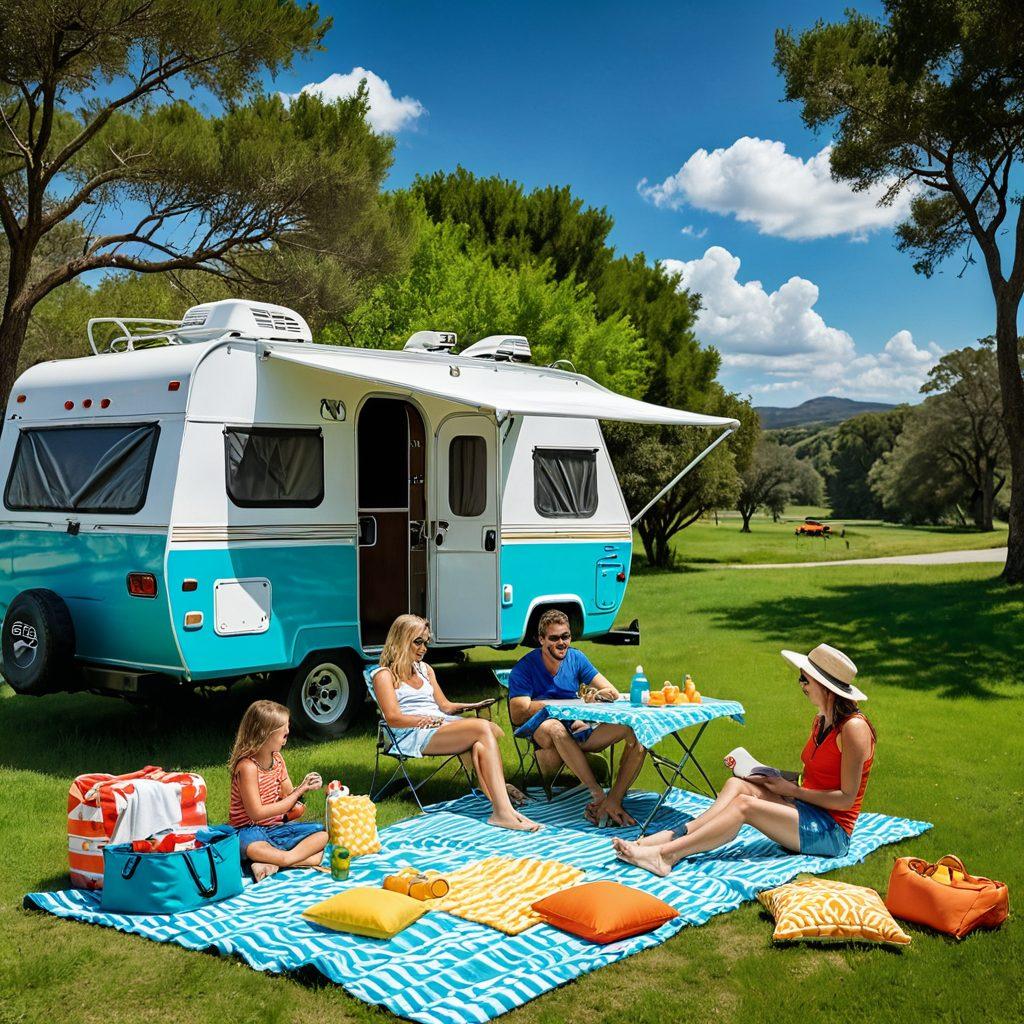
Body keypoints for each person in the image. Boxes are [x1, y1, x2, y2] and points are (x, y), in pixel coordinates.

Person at [613, 642, 875, 876]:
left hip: (831, 832)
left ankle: (665, 856)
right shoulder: (822, 720)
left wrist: (792, 790)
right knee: (738, 786)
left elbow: (845, 799)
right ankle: (671, 836)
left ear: (826, 687)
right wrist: (772, 774)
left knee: (744, 806)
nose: (802, 685)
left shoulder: (853, 729)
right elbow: (817, 776)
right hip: (807, 811)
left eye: (805, 679)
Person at [372, 614, 542, 833]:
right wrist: (424, 720)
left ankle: (501, 807)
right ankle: (502, 808)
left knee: (489, 733)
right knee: (482, 729)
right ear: (401, 640)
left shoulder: (425, 670)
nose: (424, 648)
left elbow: (445, 706)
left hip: (438, 724)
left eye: (426, 642)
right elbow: (393, 717)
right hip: (410, 733)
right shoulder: (383, 675)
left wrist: (472, 705)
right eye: (418, 642)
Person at [508, 609, 647, 826]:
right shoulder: (525, 667)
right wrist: (560, 707)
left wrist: (595, 695)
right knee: (555, 727)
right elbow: (517, 711)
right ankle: (597, 794)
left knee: (633, 729)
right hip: (543, 728)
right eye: (554, 638)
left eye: (565, 636)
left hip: (576, 730)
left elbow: (612, 692)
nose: (561, 643)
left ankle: (614, 800)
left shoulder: (576, 658)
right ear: (541, 639)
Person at [228, 699, 330, 882]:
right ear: (264, 733)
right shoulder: (247, 767)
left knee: (322, 834)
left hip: (276, 829)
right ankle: (288, 858)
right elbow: (256, 813)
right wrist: (298, 793)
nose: (288, 732)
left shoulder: (277, 759)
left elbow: (288, 795)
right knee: (254, 846)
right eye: (283, 728)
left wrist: (306, 786)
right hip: (248, 831)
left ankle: (274, 861)